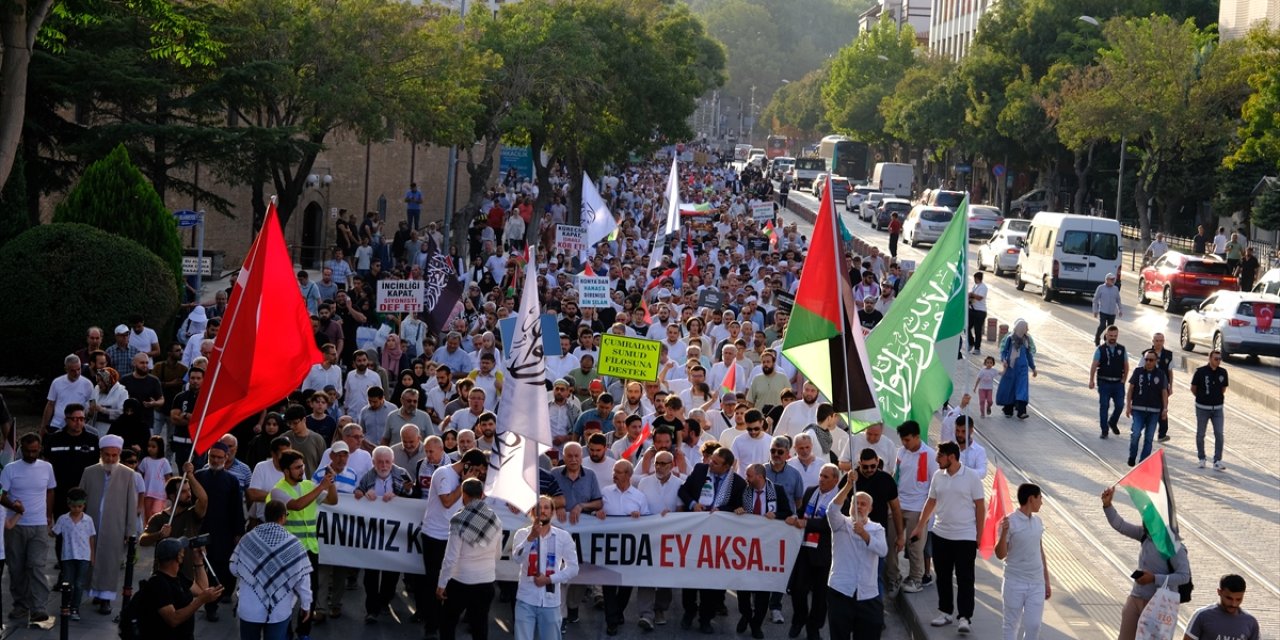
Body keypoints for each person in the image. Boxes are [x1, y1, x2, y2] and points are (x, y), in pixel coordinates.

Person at [909, 441, 985, 633]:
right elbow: (931, 501)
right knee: (942, 576)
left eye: (940, 456)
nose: (937, 459)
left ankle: (965, 617)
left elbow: (980, 506)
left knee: (965, 578)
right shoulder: (937, 476)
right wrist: (919, 526)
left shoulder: (971, 477)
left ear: (951, 457)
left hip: (965, 535)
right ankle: (945, 612)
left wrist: (980, 534)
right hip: (941, 533)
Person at [1101, 486, 1191, 640]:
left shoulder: (1174, 547)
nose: (1146, 522)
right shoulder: (1145, 535)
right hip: (1136, 598)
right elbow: (1120, 525)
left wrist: (1154, 578)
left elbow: (1184, 576)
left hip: (1159, 604)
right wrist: (1107, 505)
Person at [422, 449, 490, 640]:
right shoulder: (443, 473)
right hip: (435, 536)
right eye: (475, 470)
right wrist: (463, 483)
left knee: (453, 584)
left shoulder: (471, 481)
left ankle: (447, 624)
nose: (476, 475)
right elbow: (446, 501)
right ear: (466, 464)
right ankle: (431, 627)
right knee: (434, 582)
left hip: (456, 536)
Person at [231, 499, 313, 640]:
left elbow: (233, 568)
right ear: (283, 517)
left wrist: (254, 577)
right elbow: (303, 579)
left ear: (265, 516)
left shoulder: (248, 539)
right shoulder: (294, 544)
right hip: (279, 610)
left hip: (249, 608)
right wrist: (306, 605)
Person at [79, 433, 140, 616]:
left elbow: (132, 503)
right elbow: (80, 497)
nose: (110, 459)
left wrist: (130, 530)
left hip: (115, 526)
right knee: (91, 560)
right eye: (107, 455)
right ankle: (94, 592)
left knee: (110, 562)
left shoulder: (128, 474)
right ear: (101, 453)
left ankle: (106, 598)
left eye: (114, 455)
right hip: (91, 525)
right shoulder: (89, 472)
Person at [437, 478, 502, 640]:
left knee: (448, 624)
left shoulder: (458, 520)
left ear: (463, 495)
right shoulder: (496, 519)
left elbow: (451, 557)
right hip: (486, 582)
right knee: (480, 627)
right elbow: (497, 554)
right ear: (482, 495)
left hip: (461, 582)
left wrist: (441, 584)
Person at [2, 433, 57, 624]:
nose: (32, 454)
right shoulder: (10, 469)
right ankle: (20, 605)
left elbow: (50, 491)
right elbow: (2, 495)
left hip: (39, 525)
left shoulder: (47, 467)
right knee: (16, 568)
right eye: (28, 451)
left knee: (36, 565)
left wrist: (49, 515)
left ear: (40, 448)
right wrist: (14, 507)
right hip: (15, 526)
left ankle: (38, 608)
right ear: (20, 449)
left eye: (35, 451)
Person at [734, 463, 793, 639]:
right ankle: (745, 614)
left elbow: (787, 513)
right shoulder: (744, 491)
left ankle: (756, 624)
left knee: (763, 588)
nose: (747, 478)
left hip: (768, 548)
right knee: (742, 585)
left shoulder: (778, 490)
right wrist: (736, 510)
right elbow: (733, 509)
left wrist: (777, 515)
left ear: (759, 477)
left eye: (750, 476)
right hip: (746, 548)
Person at [826, 476, 888, 640]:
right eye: (856, 503)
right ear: (850, 506)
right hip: (841, 590)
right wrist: (848, 485)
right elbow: (831, 510)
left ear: (870, 508)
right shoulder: (840, 523)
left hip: (867, 594)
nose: (859, 507)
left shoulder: (877, 528)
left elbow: (882, 550)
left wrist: (864, 534)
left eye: (863, 504)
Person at [511, 495, 580, 640]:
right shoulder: (522, 534)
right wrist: (530, 538)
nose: (542, 511)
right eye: (538, 508)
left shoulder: (563, 536)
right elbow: (517, 558)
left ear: (553, 512)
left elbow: (573, 568)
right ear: (531, 512)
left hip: (551, 601)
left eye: (546, 507)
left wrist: (549, 579)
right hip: (526, 599)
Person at [597, 459, 651, 635]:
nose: (614, 475)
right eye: (614, 471)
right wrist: (597, 513)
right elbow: (593, 513)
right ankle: (611, 621)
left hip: (630, 548)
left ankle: (618, 612)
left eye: (618, 472)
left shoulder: (639, 497)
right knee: (609, 584)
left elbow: (650, 521)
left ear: (628, 475)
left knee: (626, 584)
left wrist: (639, 516)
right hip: (608, 547)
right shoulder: (605, 492)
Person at [194, 442, 245, 622]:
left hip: (222, 532)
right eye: (212, 457)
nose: (215, 460)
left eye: (219, 457)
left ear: (226, 458)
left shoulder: (231, 481)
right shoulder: (198, 476)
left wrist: (238, 533)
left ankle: (211, 606)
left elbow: (237, 509)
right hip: (199, 529)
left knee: (217, 569)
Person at [135, 537, 224, 640]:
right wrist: (200, 601)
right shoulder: (158, 584)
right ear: (178, 557)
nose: (184, 553)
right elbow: (173, 619)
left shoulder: (178, 577)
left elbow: (201, 589)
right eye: (182, 551)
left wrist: (198, 561)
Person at [995, 483, 1050, 640]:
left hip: (1036, 583)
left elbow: (1040, 551)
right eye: (1040, 498)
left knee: (1034, 625)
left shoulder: (1038, 522)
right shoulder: (1009, 522)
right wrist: (1004, 532)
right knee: (1011, 625)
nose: (1041, 502)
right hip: (1014, 581)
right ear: (1031, 499)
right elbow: (1000, 554)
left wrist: (1046, 580)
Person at [895, 421, 933, 594]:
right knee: (892, 541)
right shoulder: (901, 452)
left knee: (915, 547)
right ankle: (894, 575)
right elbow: (897, 476)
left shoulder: (930, 455)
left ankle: (916, 579)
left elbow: (935, 486)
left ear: (917, 437)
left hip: (917, 507)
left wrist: (928, 514)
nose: (905, 443)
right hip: (898, 504)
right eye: (903, 440)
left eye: (908, 440)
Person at [51, 487, 96, 621]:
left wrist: (92, 556)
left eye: (80, 506)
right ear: (69, 504)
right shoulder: (63, 519)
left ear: (84, 505)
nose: (76, 509)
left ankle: (75, 607)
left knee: (79, 583)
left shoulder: (88, 520)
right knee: (67, 582)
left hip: (84, 556)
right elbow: (54, 532)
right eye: (74, 506)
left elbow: (91, 538)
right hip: (68, 556)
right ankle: (65, 606)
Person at [1125, 350, 1169, 467]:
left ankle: (1142, 463)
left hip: (1154, 411)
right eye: (1146, 359)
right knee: (1135, 433)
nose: (1148, 362)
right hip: (1138, 409)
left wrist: (1165, 409)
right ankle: (1132, 455)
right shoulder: (1138, 372)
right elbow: (1131, 389)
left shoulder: (1160, 374)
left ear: (1156, 361)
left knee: (1149, 438)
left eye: (1151, 360)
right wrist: (1128, 405)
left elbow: (1164, 392)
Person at [1183, 574, 1259, 640]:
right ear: (1219, 592)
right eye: (1229, 598)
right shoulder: (1202, 616)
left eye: (1238, 599)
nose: (1234, 604)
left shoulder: (1250, 622)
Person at [1190, 350, 1229, 470]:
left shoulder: (1223, 372)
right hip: (1202, 408)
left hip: (1217, 409)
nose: (1218, 361)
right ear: (1210, 359)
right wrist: (1202, 398)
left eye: (1219, 359)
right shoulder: (1200, 372)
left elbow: (1223, 389)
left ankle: (1217, 460)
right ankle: (1201, 458)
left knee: (1219, 434)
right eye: (1216, 359)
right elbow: (1193, 388)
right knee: (1201, 433)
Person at [1089, 326, 1129, 439]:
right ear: (1106, 335)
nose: (1113, 338)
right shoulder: (1100, 349)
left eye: (1115, 336)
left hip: (1118, 383)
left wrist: (1124, 380)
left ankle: (1112, 421)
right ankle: (1104, 430)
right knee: (1104, 406)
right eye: (1111, 336)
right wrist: (1091, 380)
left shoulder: (1122, 349)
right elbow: (1094, 365)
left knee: (1120, 405)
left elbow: (1126, 366)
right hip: (1104, 383)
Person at [996, 319, 1037, 419]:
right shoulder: (1010, 338)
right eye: (1026, 327)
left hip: (1022, 369)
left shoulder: (1026, 339)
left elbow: (1029, 354)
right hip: (1011, 368)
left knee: (1022, 389)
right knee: (1010, 388)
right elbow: (1004, 351)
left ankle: (1021, 411)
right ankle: (1008, 409)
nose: (1027, 329)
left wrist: (1033, 367)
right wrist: (1004, 360)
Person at [1142, 332, 1175, 443]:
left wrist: (1170, 386)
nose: (1159, 343)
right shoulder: (1146, 354)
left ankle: (1162, 434)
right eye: (1156, 341)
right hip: (1148, 386)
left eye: (1161, 340)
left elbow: (1170, 372)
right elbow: (1140, 369)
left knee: (1163, 409)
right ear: (1153, 341)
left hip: (1162, 388)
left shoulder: (1169, 355)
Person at [1092, 273, 1123, 346]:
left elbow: (1118, 300)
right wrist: (1095, 310)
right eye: (1111, 279)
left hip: (1112, 312)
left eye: (1114, 279)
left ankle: (1107, 342)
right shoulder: (1101, 288)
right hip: (1103, 311)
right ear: (1107, 280)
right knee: (1102, 325)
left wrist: (1120, 309)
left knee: (1110, 329)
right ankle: (1097, 337)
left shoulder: (1115, 289)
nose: (1113, 281)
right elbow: (1095, 300)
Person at [968, 272, 987, 354]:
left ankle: (977, 348)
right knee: (967, 327)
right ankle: (971, 342)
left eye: (975, 278)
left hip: (980, 311)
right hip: (972, 310)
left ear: (977, 278)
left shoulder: (983, 287)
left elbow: (980, 297)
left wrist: (972, 294)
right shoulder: (975, 286)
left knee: (977, 330)